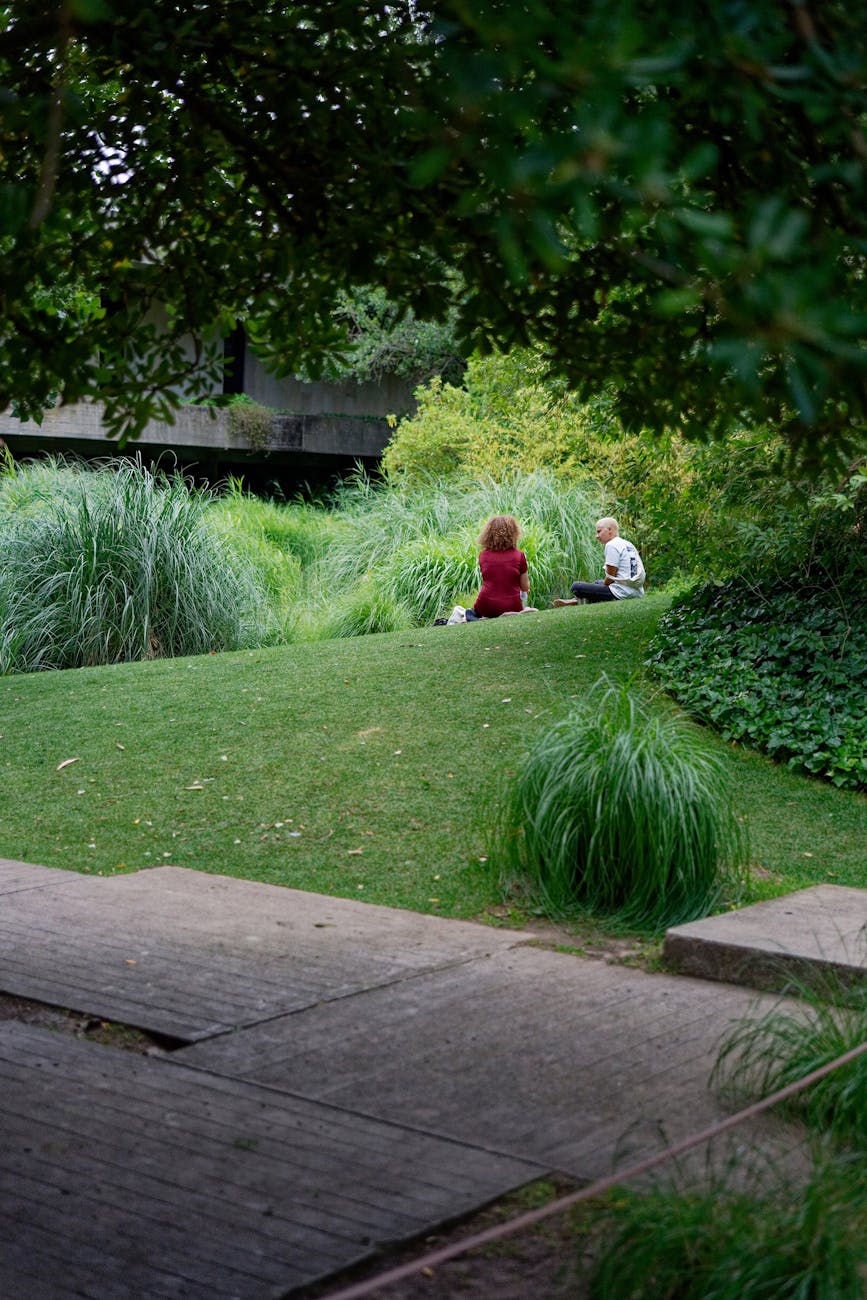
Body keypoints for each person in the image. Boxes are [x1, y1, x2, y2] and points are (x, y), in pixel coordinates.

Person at [553, 517, 645, 606]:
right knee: (597, 583)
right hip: (636, 591)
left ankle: (577, 601)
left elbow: (610, 578)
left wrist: (603, 586)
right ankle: (575, 601)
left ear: (609, 530)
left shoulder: (611, 545)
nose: (597, 536)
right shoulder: (627, 544)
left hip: (622, 593)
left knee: (576, 587)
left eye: (599, 531)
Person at [472, 515, 537, 618]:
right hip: (512, 606)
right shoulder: (519, 555)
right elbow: (525, 587)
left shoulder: (483, 555)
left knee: (473, 611)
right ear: (514, 533)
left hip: (485, 606)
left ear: (488, 534)